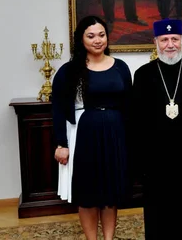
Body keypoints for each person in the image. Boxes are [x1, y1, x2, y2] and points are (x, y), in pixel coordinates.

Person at [52, 16, 132, 240]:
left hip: (115, 136)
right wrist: (61, 144)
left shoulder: (121, 67)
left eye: (101, 35)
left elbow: (128, 106)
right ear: (81, 39)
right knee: (88, 194)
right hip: (84, 136)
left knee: (110, 194)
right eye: (91, 36)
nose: (97, 40)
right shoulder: (70, 71)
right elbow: (58, 108)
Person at [130, 18, 182, 239]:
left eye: (175, 39)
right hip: (156, 159)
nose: (170, 44)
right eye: (164, 39)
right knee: (157, 213)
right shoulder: (143, 74)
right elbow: (137, 119)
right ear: (155, 42)